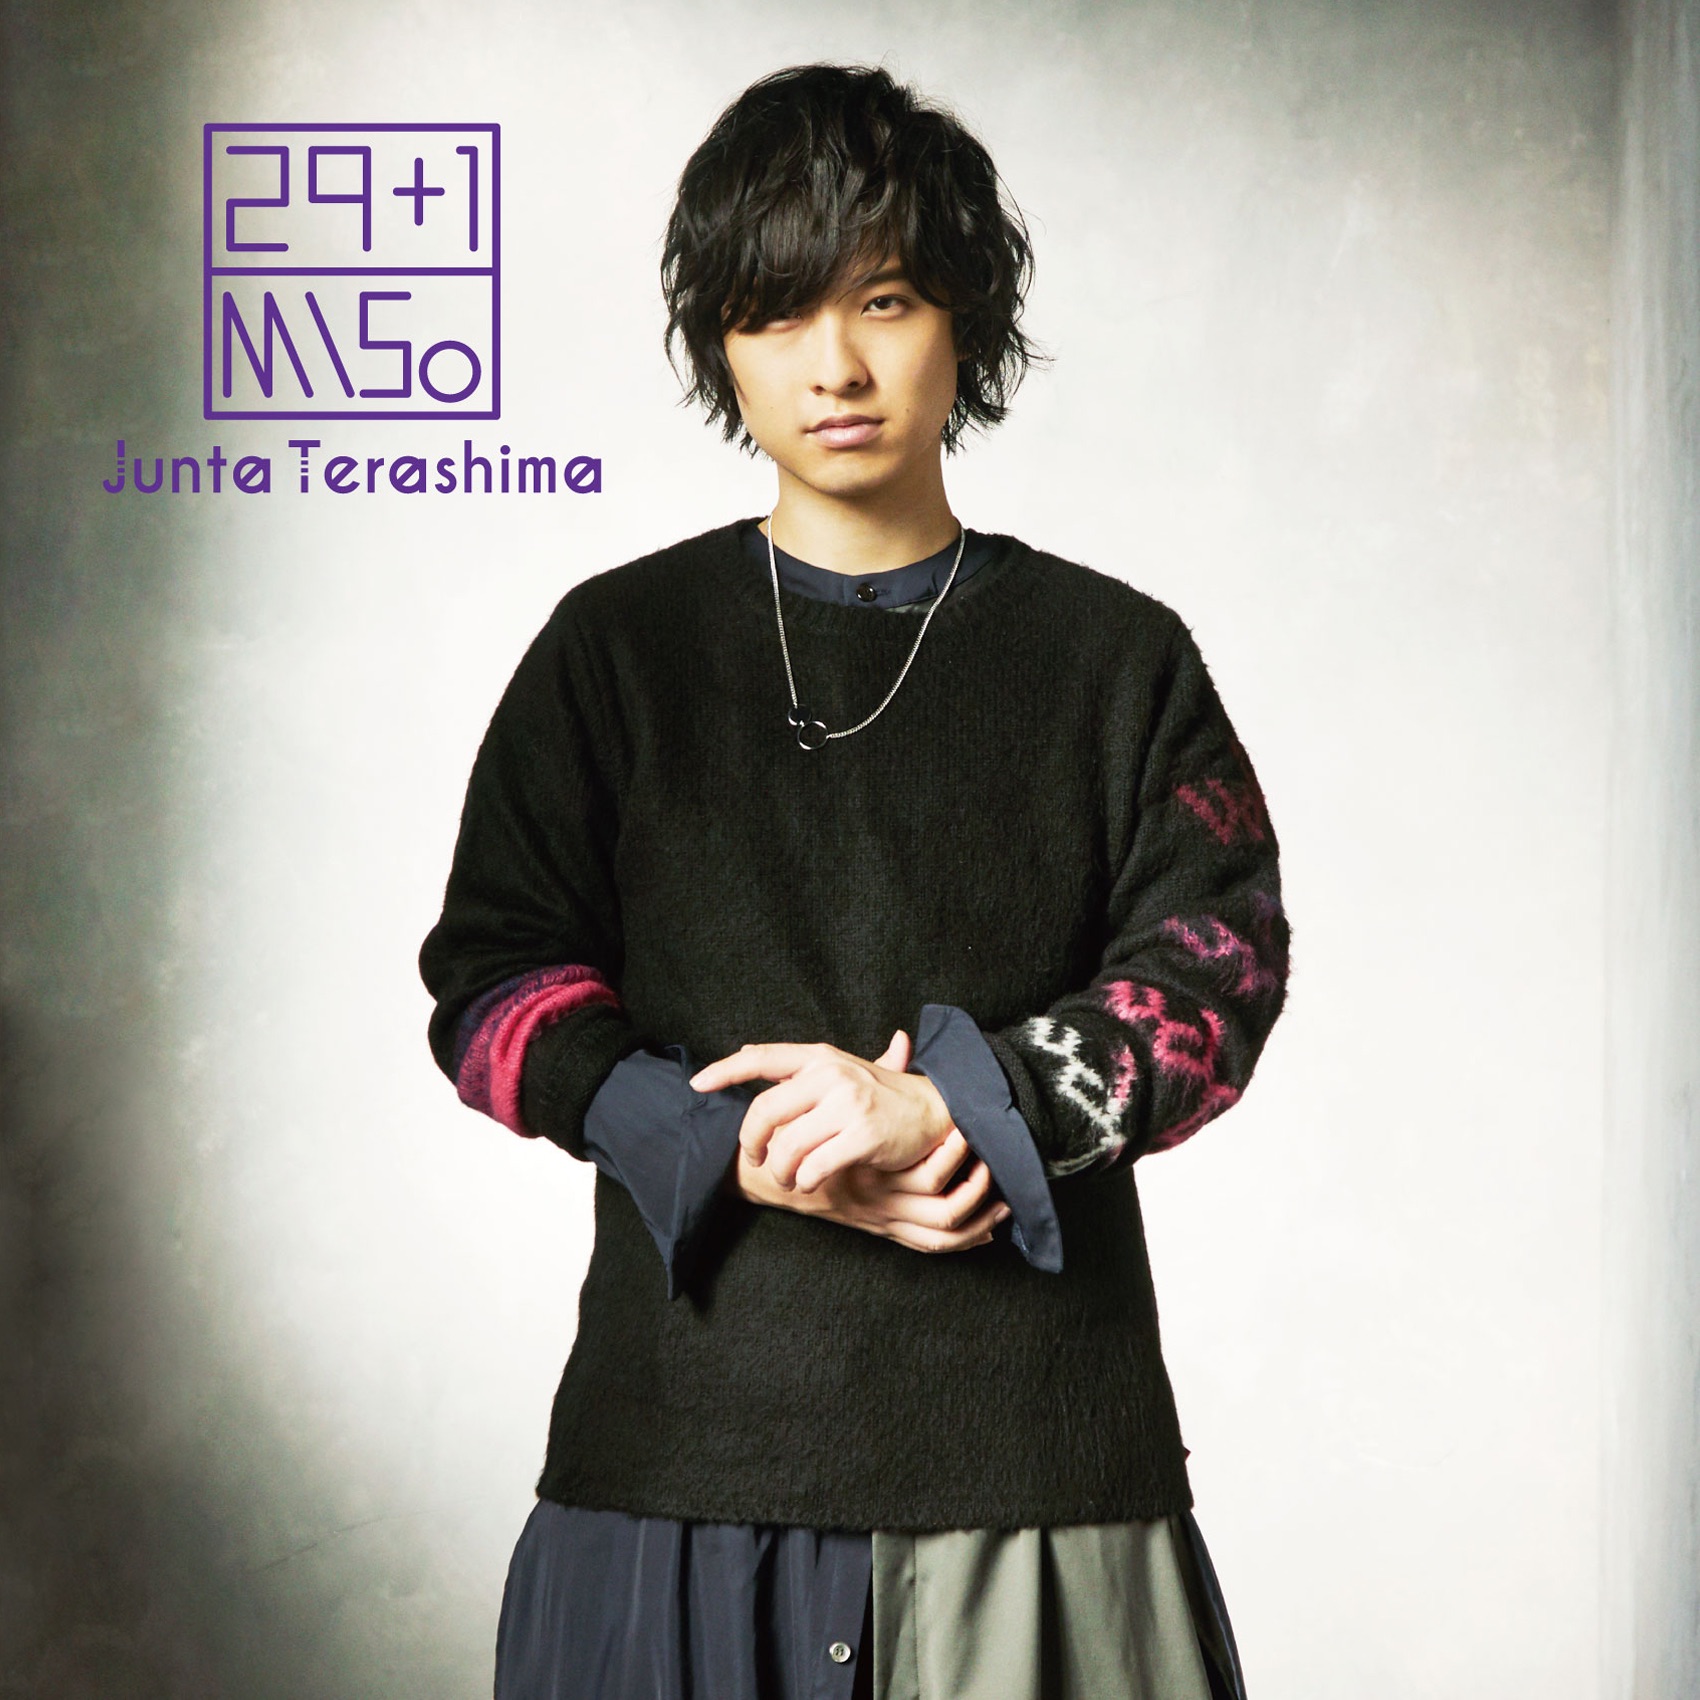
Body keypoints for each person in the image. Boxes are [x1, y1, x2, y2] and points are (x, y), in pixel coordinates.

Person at [418, 62, 1289, 1700]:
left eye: (884, 300)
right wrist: (732, 1141)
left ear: (964, 319)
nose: (834, 365)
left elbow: (1216, 975)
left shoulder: (1115, 657)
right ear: (721, 346)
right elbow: (491, 986)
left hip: (1040, 1478)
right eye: (776, 313)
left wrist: (959, 1104)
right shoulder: (615, 650)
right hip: (677, 1466)